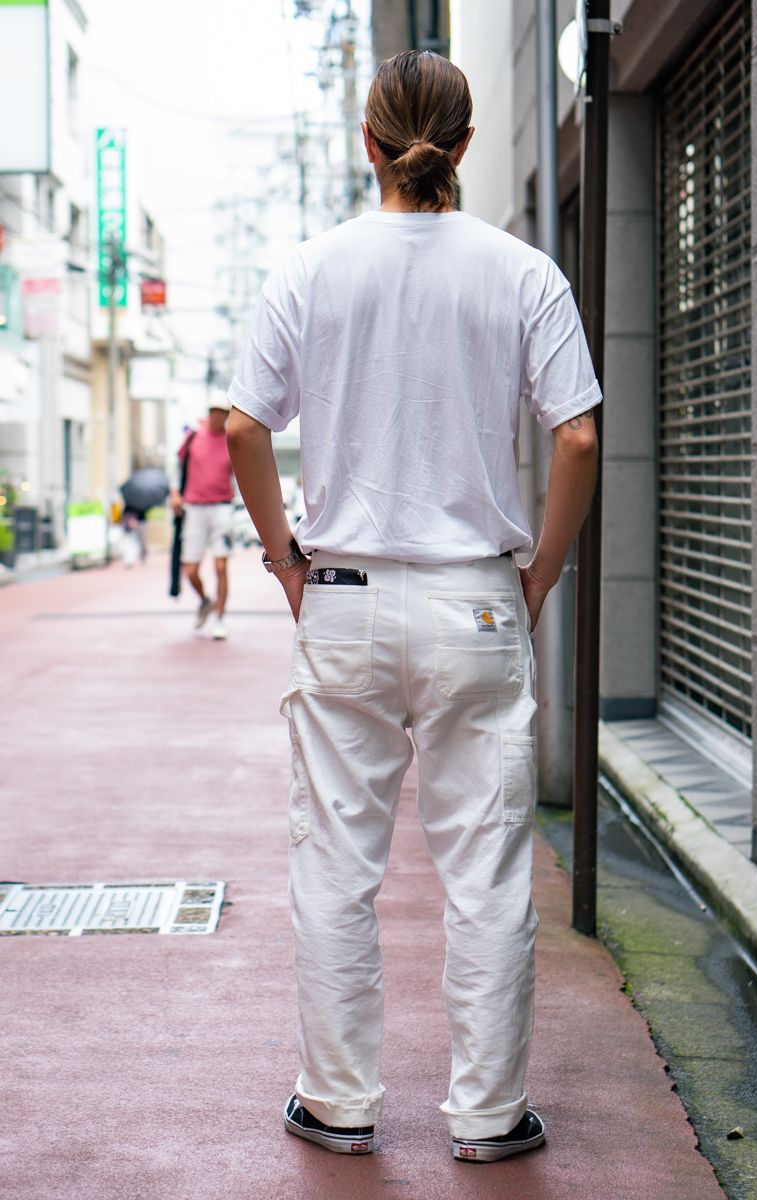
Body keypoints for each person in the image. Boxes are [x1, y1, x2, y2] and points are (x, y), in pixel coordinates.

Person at [226, 50, 600, 1164]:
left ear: (368, 141)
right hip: (477, 603)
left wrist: (285, 562)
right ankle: (489, 1116)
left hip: (342, 597)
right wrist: (537, 577)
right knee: (486, 872)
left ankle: (338, 1105)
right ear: (466, 144)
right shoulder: (522, 271)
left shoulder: (310, 270)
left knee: (335, 867)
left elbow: (244, 426)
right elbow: (578, 436)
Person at [169, 397, 235, 641]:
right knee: (190, 570)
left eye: (222, 412)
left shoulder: (232, 440)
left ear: (227, 415)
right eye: (213, 412)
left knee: (221, 566)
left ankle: (220, 619)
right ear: (209, 413)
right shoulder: (194, 437)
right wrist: (175, 494)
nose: (217, 416)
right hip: (194, 508)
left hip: (222, 508)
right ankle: (206, 601)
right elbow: (178, 467)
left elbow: (243, 475)